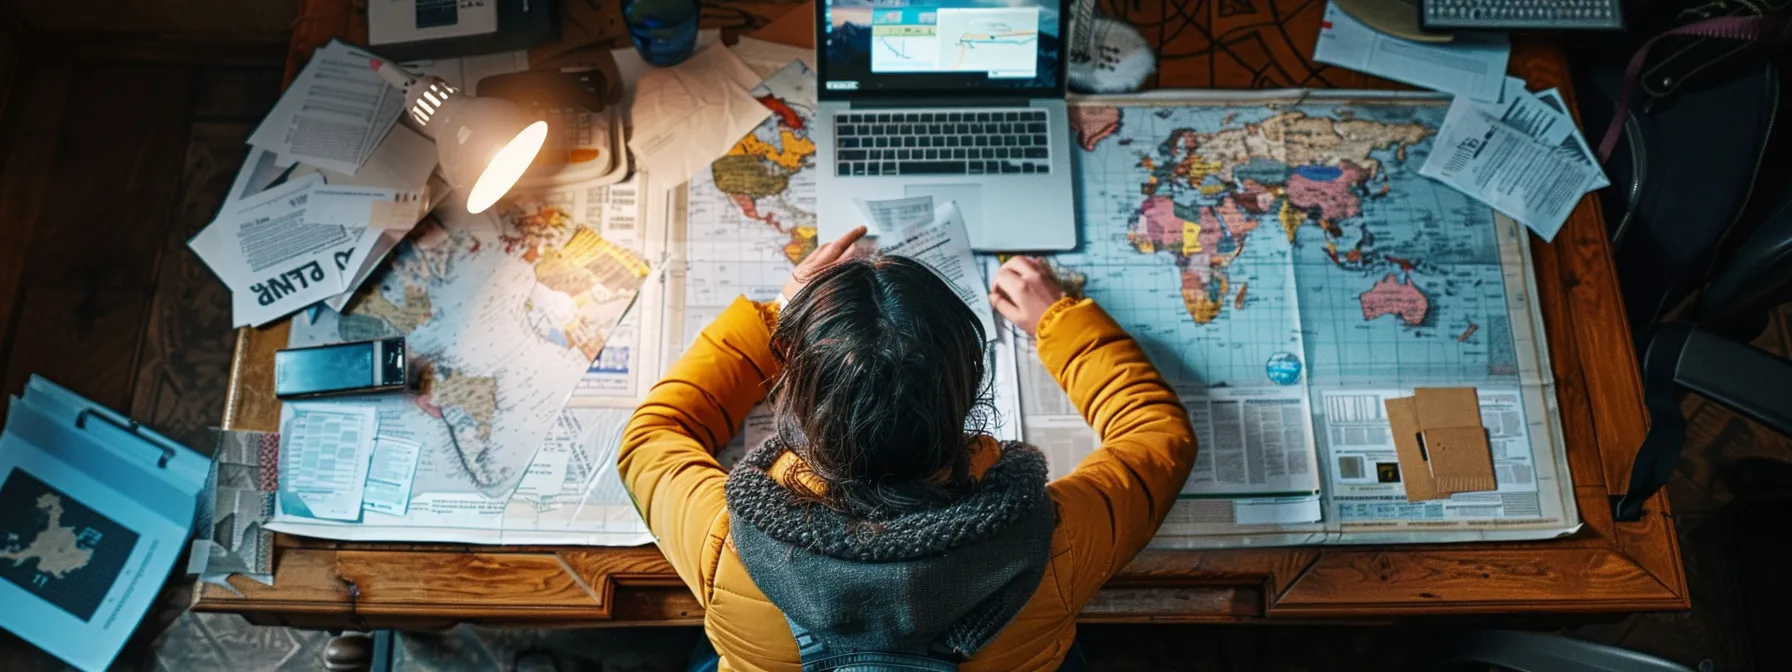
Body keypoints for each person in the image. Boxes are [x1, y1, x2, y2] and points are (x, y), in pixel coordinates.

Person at [619, 226, 1198, 672]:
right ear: (967, 388)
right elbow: (1157, 438)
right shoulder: (1056, 538)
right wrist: (1057, 319)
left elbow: (651, 437)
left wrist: (783, 313)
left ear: (794, 388)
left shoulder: (723, 539)